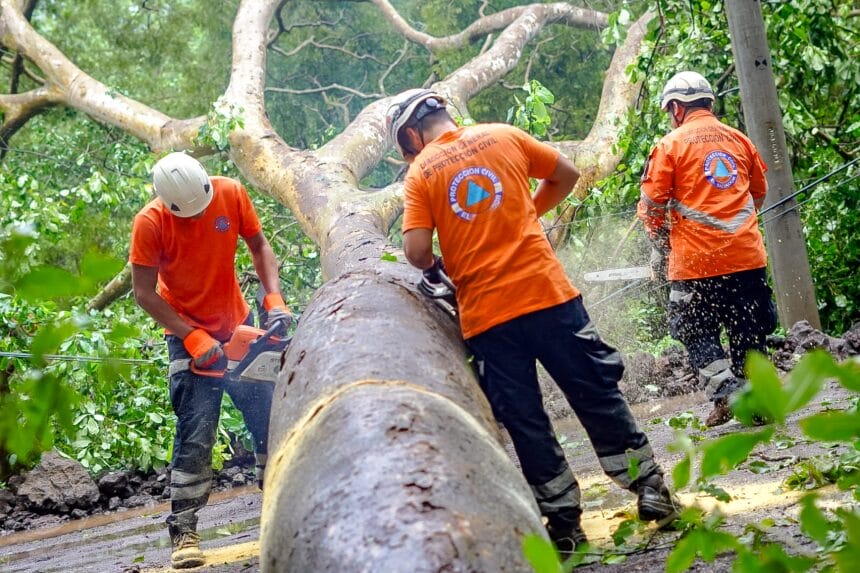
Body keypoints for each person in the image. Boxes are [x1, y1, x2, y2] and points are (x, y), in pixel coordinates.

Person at [387, 89, 680, 552]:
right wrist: (527, 212)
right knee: (594, 392)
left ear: (410, 134)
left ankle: (565, 525)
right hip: (549, 296)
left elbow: (417, 252)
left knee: (527, 422)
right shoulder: (504, 135)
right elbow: (566, 175)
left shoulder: (422, 171)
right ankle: (650, 488)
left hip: (488, 318)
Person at [129, 152, 291, 569]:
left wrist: (272, 297)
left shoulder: (229, 193)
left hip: (238, 323)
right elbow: (144, 293)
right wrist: (191, 335)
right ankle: (183, 529)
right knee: (196, 430)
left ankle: (280, 507)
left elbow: (259, 244)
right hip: (185, 334)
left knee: (267, 418)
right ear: (168, 203)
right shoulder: (150, 223)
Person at [637, 71, 777, 427]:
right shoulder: (739, 140)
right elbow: (758, 193)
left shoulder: (670, 146)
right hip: (747, 259)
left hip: (695, 265)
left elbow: (652, 205)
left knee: (694, 331)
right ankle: (757, 401)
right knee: (749, 331)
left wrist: (659, 244)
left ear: (675, 108)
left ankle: (727, 394)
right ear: (709, 103)